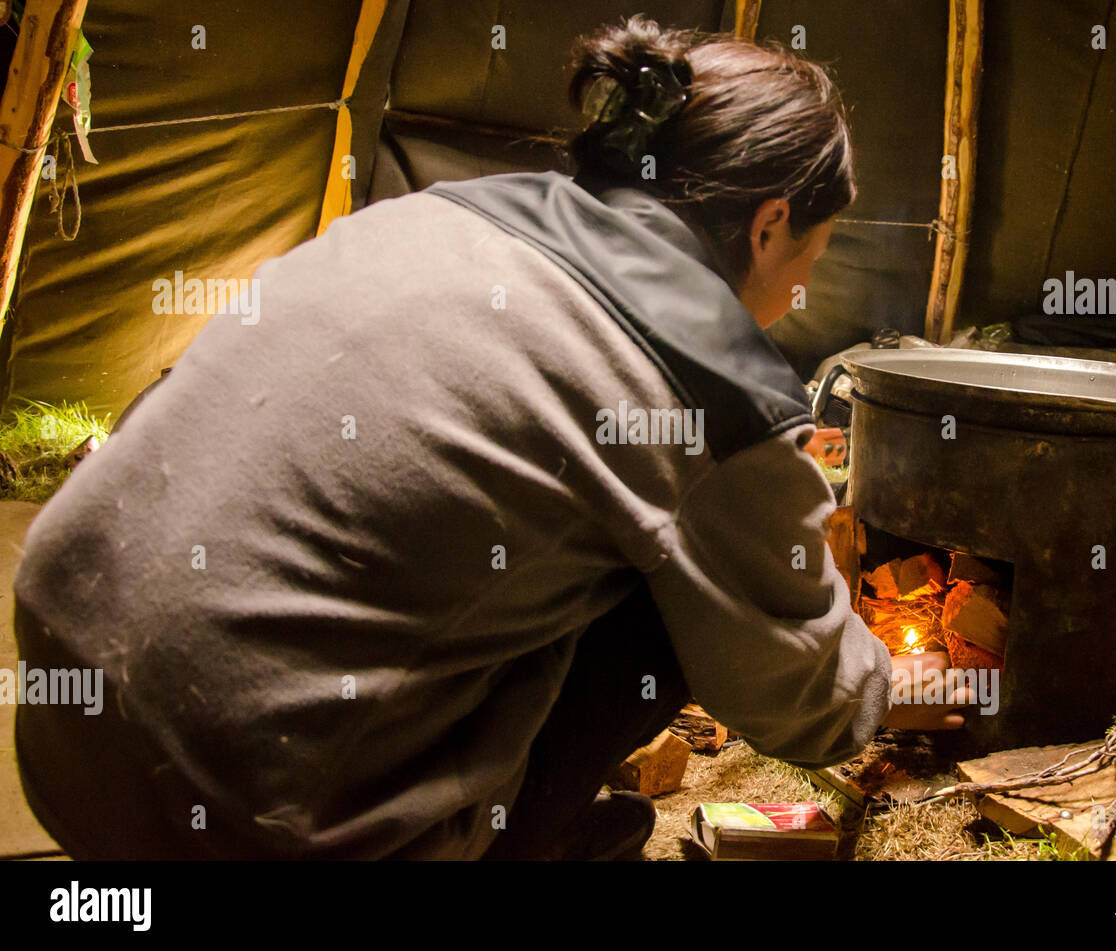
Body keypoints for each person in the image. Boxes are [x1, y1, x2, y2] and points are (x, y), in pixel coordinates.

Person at [12, 16, 967, 861]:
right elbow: (800, 700)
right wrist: (904, 680)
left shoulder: (439, 213)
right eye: (812, 255)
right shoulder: (714, 389)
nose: (798, 293)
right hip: (249, 811)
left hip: (60, 713)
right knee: (665, 598)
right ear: (769, 226)